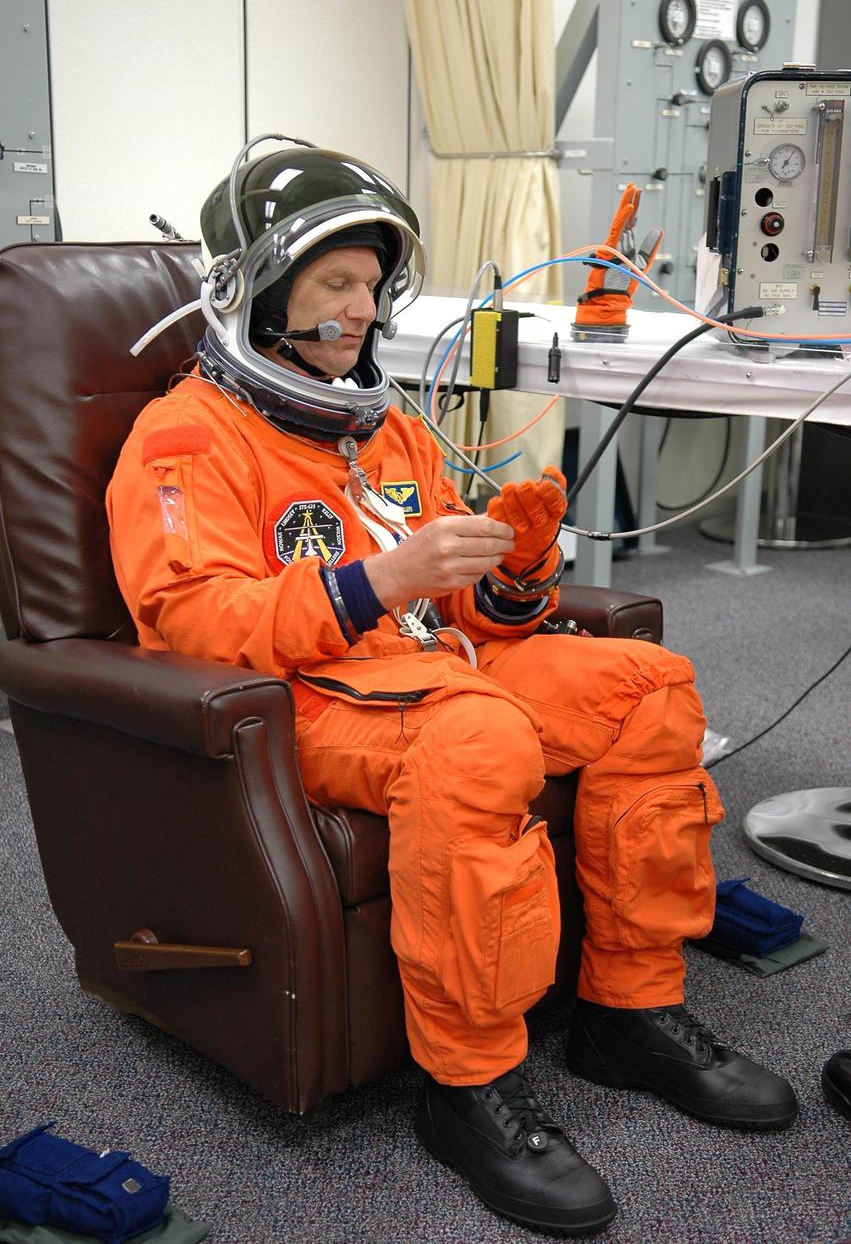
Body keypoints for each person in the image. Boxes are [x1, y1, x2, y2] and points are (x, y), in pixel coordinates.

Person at [107, 137, 797, 1238]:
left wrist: (516, 571)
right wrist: (372, 580)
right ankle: (467, 1085)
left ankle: (632, 1006)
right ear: (256, 289)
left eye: (371, 287)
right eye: (333, 283)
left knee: (648, 684)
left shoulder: (378, 427)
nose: (357, 309)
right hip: (308, 697)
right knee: (475, 741)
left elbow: (465, 613)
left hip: (436, 667)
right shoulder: (182, 439)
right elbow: (191, 623)